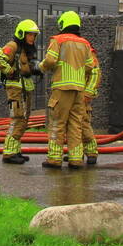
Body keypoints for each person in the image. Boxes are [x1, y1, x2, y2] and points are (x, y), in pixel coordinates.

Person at [37, 11, 98, 169]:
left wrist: (40, 67)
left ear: (63, 24)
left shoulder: (58, 40)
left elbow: (50, 60)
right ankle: (76, 159)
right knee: (75, 124)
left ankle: (54, 158)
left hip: (62, 88)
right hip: (79, 90)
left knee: (57, 122)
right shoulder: (85, 43)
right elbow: (91, 66)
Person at [0, 18, 40, 163]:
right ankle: (9, 153)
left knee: (23, 120)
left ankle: (15, 151)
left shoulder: (26, 49)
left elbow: (25, 67)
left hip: (25, 89)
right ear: (22, 34)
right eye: (30, 34)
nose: (32, 37)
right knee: (17, 119)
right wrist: (9, 71)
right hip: (15, 89)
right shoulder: (13, 45)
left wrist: (35, 70)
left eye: (34, 35)